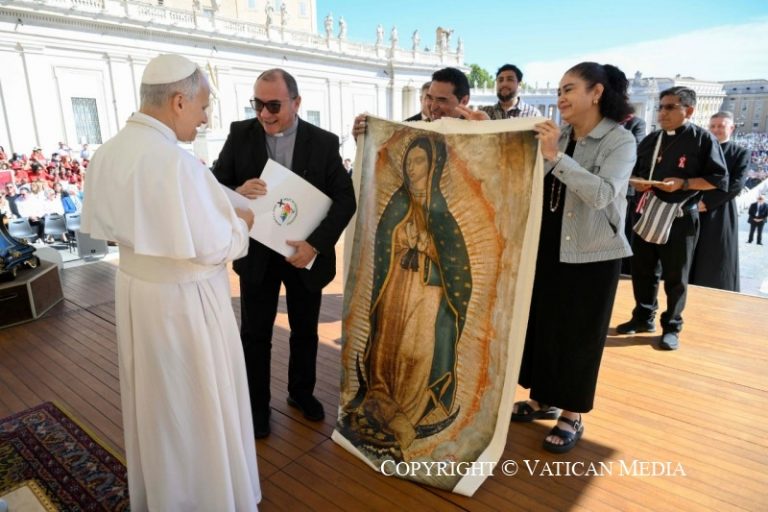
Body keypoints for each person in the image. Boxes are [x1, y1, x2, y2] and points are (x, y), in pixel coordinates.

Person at [80, 53, 261, 511]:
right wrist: (243, 225)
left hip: (138, 295)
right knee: (198, 406)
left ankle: (166, 495)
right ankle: (209, 497)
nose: (205, 118)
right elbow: (216, 245)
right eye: (203, 107)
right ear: (179, 101)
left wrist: (226, 199)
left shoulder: (109, 151)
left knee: (158, 407)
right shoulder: (175, 162)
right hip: (186, 305)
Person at [213, 68, 356, 438]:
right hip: (258, 258)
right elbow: (214, 184)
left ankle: (301, 393)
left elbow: (345, 199)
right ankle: (257, 408)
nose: (264, 114)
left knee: (305, 332)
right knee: (254, 335)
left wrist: (315, 245)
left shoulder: (323, 142)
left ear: (296, 103)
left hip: (303, 256)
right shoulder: (239, 134)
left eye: (274, 105)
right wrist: (236, 191)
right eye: (257, 104)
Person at [511, 62, 637, 454]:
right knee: (544, 326)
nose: (560, 98)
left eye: (569, 89)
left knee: (579, 336)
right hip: (547, 246)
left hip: (593, 254)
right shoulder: (559, 134)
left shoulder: (619, 140)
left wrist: (555, 157)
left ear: (596, 93)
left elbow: (602, 195)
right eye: (559, 91)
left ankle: (572, 413)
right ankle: (542, 398)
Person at [350, 134, 469, 450]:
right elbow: (382, 244)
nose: (412, 167)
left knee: (417, 352)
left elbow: (457, 268)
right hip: (395, 288)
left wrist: (429, 256)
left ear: (433, 166)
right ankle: (383, 404)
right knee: (386, 349)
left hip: (427, 295)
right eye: (409, 160)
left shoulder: (443, 214)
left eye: (420, 161)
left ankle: (408, 414)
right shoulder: (397, 204)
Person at [616, 86, 728, 350]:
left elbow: (718, 179)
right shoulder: (652, 139)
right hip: (648, 212)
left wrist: (684, 183)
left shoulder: (703, 140)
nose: (662, 113)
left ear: (689, 111)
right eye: (660, 107)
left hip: (680, 217)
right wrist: (638, 182)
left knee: (676, 276)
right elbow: (635, 171)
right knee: (643, 270)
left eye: (670, 107)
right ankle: (643, 317)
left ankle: (672, 326)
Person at [689, 112, 749, 290]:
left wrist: (707, 203)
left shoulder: (740, 153)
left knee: (716, 253)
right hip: (694, 206)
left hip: (720, 209)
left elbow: (736, 184)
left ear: (731, 128)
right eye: (713, 126)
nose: (716, 130)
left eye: (721, 126)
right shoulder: (700, 149)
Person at [619, 114, 647, 274]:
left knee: (625, 228)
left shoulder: (637, 123)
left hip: (627, 188)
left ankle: (624, 268)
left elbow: (636, 149)